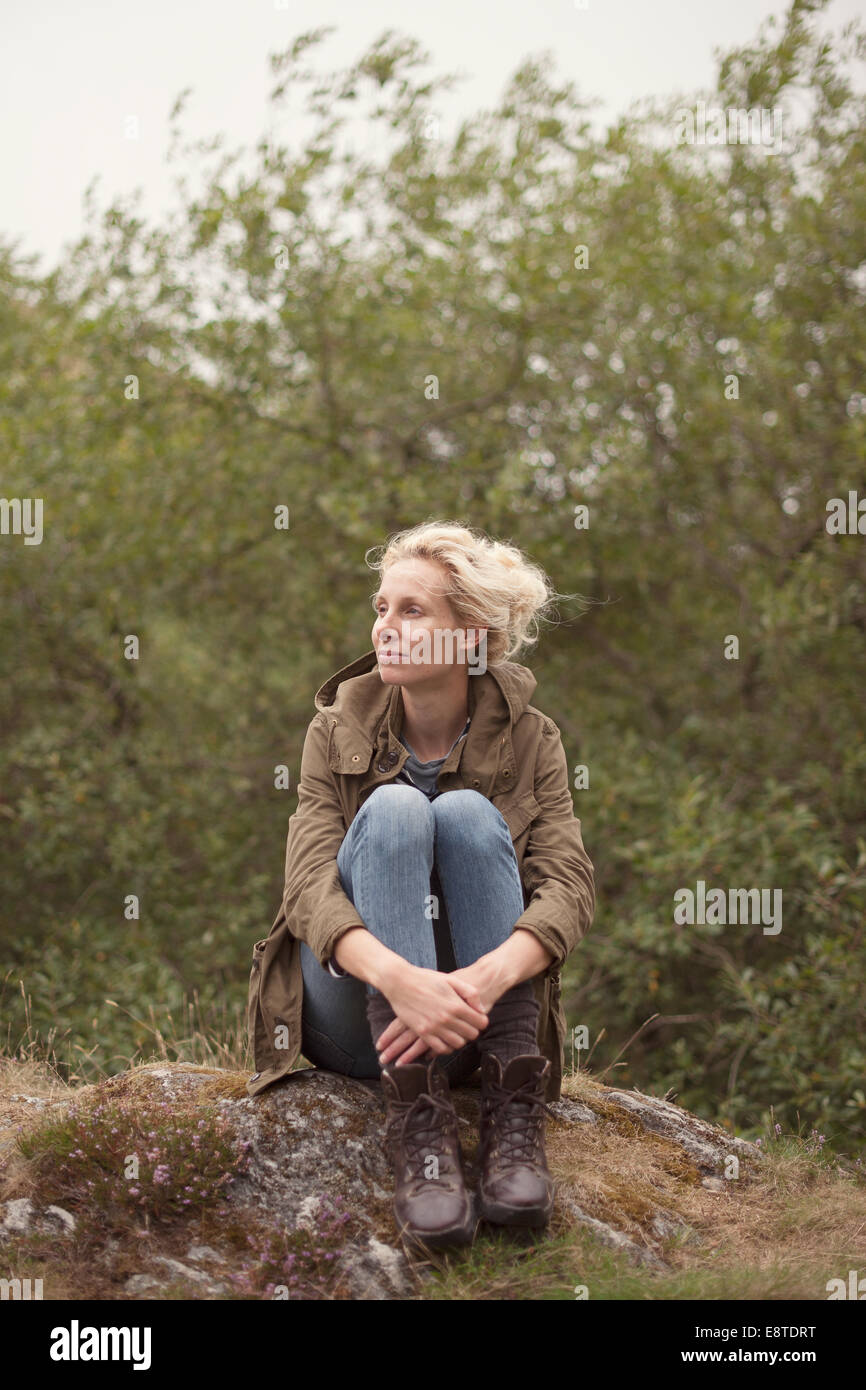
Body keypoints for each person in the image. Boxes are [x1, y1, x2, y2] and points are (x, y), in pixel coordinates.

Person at [246, 520, 595, 1251]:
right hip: (362, 1021)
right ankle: (421, 1131)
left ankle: (511, 1117)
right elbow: (308, 884)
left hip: (478, 1018)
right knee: (399, 806)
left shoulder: (535, 738)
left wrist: (483, 978)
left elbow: (568, 886)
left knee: (467, 813)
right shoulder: (334, 729)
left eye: (411, 611)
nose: (385, 628)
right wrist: (402, 980)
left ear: (469, 637)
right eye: (381, 608)